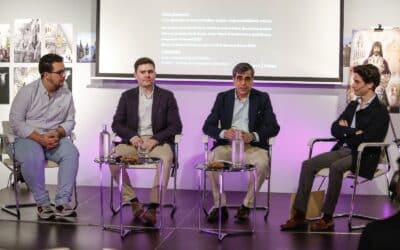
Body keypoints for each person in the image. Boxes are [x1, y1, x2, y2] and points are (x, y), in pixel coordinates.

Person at [281, 64, 389, 231]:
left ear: (370, 84)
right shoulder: (353, 105)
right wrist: (353, 132)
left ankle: (327, 217)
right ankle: (300, 215)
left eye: (357, 82)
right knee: (308, 165)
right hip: (344, 150)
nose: (353, 85)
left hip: (364, 155)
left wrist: (346, 133)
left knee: (336, 167)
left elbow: (369, 138)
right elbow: (334, 128)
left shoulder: (380, 111)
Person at [202, 62, 280, 223]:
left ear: (252, 81)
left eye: (247, 79)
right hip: (227, 145)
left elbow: (274, 127)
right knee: (211, 160)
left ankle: (246, 205)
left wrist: (253, 135)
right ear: (233, 80)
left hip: (252, 147)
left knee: (263, 163)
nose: (243, 83)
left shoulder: (262, 98)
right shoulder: (223, 97)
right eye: (239, 78)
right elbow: (207, 126)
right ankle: (220, 206)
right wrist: (224, 133)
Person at [110, 57, 182, 226]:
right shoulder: (127, 96)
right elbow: (117, 123)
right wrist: (132, 136)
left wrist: (155, 139)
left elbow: (176, 126)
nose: (147, 75)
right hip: (132, 142)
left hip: (158, 142)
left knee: (165, 159)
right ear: (136, 75)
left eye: (150, 71)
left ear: (155, 74)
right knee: (112, 159)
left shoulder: (167, 96)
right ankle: (133, 201)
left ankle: (153, 207)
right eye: (143, 72)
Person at [9, 53, 79, 220]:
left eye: (64, 72)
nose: (64, 75)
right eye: (60, 72)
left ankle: (62, 202)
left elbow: (70, 121)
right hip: (27, 138)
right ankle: (43, 204)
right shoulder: (27, 92)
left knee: (71, 153)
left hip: (54, 138)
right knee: (34, 156)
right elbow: (16, 122)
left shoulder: (66, 93)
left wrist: (59, 132)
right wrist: (40, 138)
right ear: (46, 75)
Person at [363, 41, 391, 106]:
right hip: (368, 87)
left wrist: (381, 85)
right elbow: (362, 74)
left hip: (380, 87)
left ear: (380, 49)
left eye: (378, 48)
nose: (376, 50)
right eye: (375, 48)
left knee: (380, 108)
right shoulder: (367, 61)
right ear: (372, 49)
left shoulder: (383, 61)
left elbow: (388, 74)